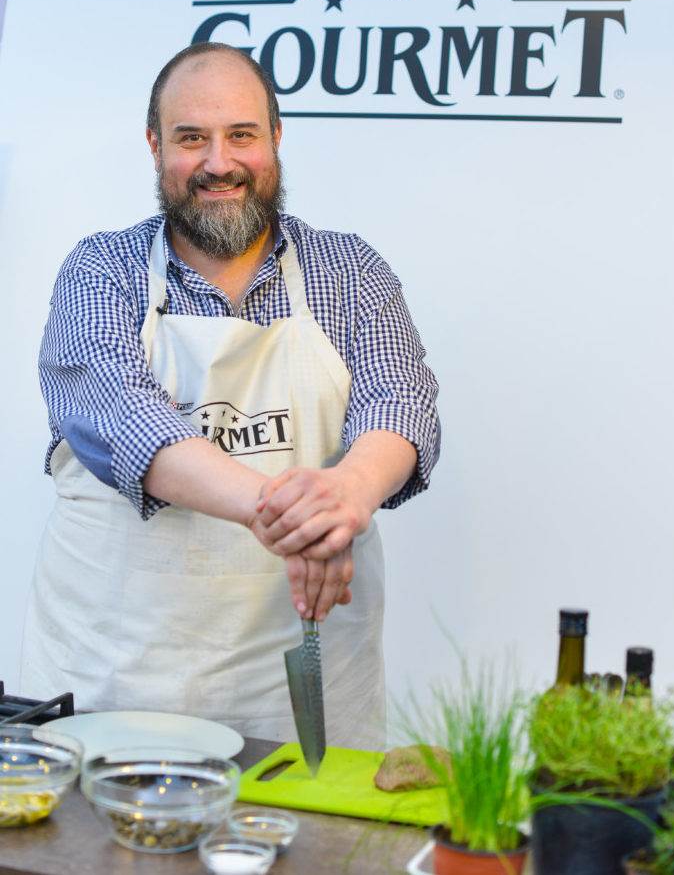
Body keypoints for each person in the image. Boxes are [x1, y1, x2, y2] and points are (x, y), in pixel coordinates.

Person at [20, 42, 440, 748]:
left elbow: (399, 402)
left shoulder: (351, 270)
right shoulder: (101, 270)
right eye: (192, 138)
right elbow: (124, 417)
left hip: (301, 696)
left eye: (241, 134)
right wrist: (294, 518)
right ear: (155, 146)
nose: (219, 162)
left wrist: (349, 494)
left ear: (275, 137)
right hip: (115, 683)